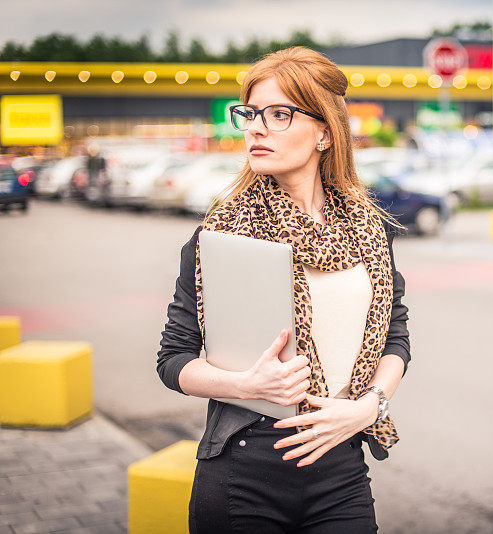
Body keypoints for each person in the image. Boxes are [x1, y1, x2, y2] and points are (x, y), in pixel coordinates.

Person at [156, 46, 412, 533]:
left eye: (278, 114)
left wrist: (367, 407)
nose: (255, 127)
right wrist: (244, 386)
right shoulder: (221, 235)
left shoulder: (369, 230)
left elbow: (395, 333)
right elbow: (173, 360)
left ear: (324, 132)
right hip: (245, 473)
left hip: (342, 469)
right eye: (251, 114)